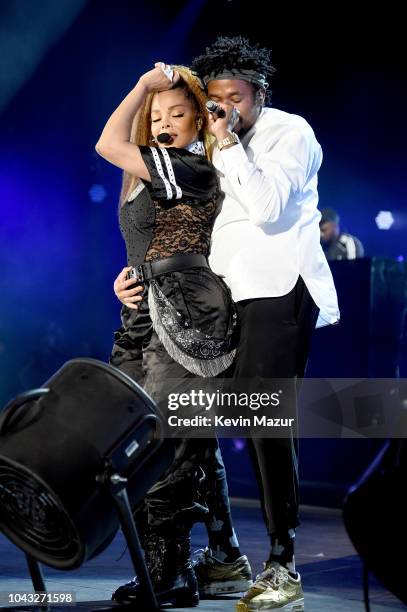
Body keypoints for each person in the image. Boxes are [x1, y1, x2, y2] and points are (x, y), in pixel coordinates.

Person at [95, 63, 252, 607]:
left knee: (170, 439)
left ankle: (170, 571)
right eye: (155, 115)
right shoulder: (149, 174)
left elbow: (106, 143)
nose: (163, 122)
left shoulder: (190, 167)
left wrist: (141, 86)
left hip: (187, 310)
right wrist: (126, 280)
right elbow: (146, 243)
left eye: (176, 114)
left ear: (197, 124)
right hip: (143, 312)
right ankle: (222, 555)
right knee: (144, 437)